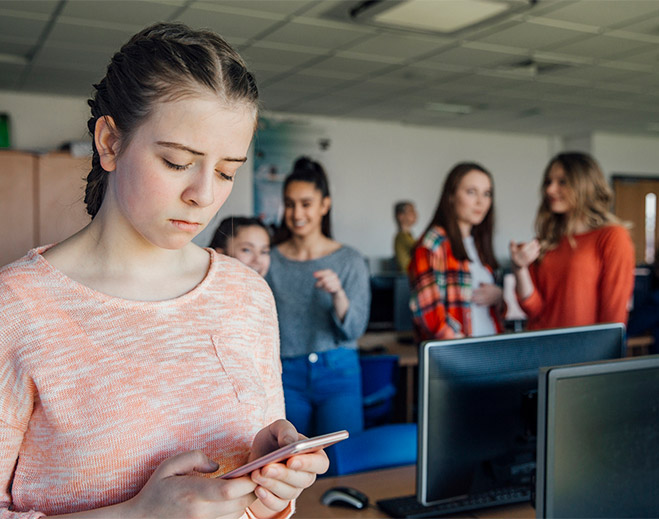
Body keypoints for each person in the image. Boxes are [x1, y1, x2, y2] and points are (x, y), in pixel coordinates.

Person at [0, 22, 328, 518]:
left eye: (226, 172)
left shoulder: (247, 295)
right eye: (177, 162)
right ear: (110, 143)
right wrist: (137, 514)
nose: (204, 195)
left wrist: (268, 486)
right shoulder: (18, 308)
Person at [265, 156, 371, 438]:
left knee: (341, 463)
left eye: (306, 204)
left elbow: (355, 329)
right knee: (290, 464)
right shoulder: (270, 261)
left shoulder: (349, 260)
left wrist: (338, 295)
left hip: (338, 371)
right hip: (286, 374)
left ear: (325, 204)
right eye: (290, 204)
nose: (297, 213)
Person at [509, 151, 635, 330]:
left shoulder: (612, 236)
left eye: (562, 182)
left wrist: (606, 357)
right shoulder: (547, 240)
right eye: (548, 182)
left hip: (583, 353)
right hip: (540, 348)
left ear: (584, 185)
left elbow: (613, 316)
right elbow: (534, 309)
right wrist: (519, 268)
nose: (550, 190)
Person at [408, 162, 504, 340]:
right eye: (471, 192)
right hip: (459, 356)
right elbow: (426, 309)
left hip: (490, 350)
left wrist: (500, 295)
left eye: (487, 194)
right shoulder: (434, 242)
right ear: (451, 195)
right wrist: (457, 347)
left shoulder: (479, 244)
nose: (480, 202)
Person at [393, 200, 417, 272]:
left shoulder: (408, 236)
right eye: (411, 211)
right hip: (407, 278)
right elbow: (421, 249)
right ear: (400, 216)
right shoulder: (401, 237)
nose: (415, 214)